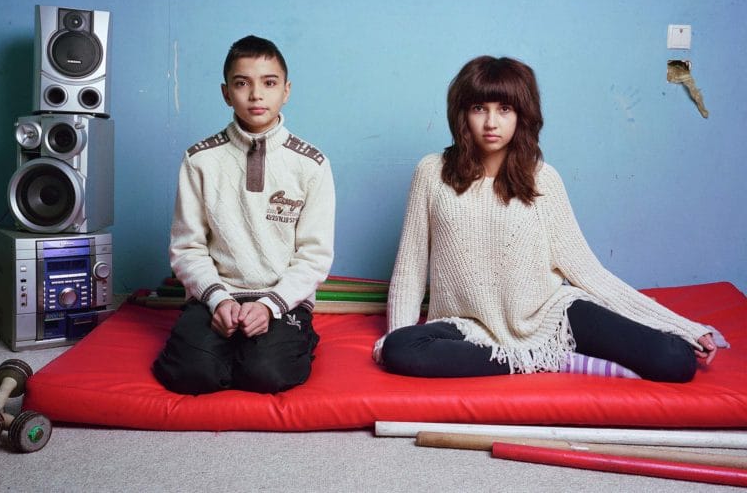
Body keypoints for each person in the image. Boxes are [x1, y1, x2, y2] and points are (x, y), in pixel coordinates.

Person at [376, 55, 720, 382]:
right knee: (400, 349)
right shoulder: (432, 173)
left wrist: (682, 326)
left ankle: (540, 352)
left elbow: (587, 272)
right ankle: (545, 360)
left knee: (676, 361)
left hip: (551, 318)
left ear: (521, 115)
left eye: (504, 109)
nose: (491, 122)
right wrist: (397, 334)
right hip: (466, 327)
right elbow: (410, 268)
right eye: (479, 108)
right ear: (462, 114)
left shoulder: (543, 179)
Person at [153, 35, 336, 395]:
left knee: (265, 374)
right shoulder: (199, 160)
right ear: (226, 93)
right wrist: (219, 299)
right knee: (190, 374)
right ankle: (218, 343)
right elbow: (187, 247)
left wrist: (270, 306)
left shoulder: (311, 164)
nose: (256, 95)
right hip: (215, 297)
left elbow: (314, 257)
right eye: (242, 84)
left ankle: (282, 342)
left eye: (269, 83)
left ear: (286, 90)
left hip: (282, 301)